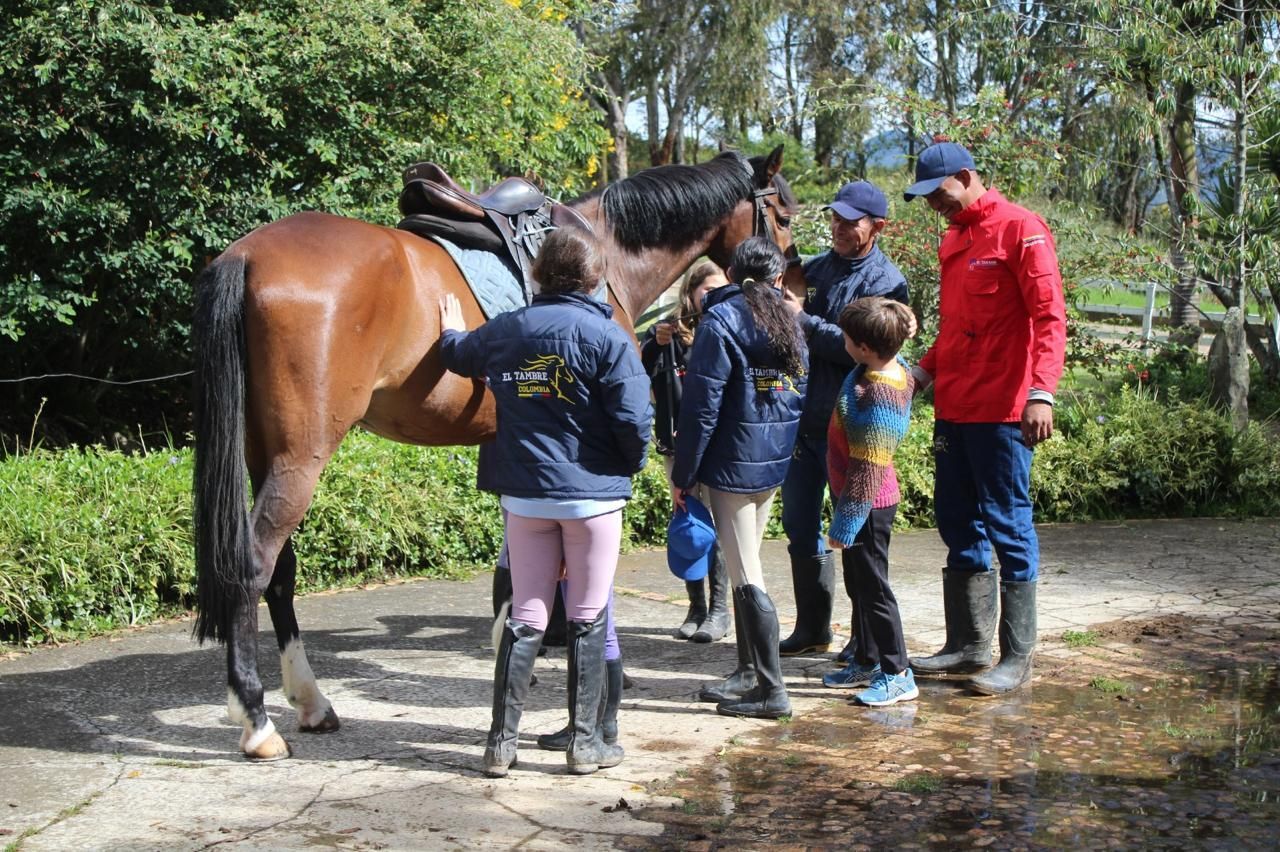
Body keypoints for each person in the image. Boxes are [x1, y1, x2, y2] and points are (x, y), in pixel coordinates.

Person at [438, 226, 652, 776]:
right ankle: (585, 746)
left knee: (526, 614)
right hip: (591, 500)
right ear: (594, 277)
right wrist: (626, 467)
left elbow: (460, 355)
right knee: (587, 615)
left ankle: (500, 746)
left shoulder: (505, 328)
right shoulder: (608, 338)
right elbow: (634, 420)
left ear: (537, 273)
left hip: (525, 499)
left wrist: (449, 332)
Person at [902, 141, 1067, 695]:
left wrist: (1041, 393)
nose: (934, 204)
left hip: (1003, 409)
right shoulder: (954, 238)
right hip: (954, 404)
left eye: (940, 192)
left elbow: (1049, 318)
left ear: (967, 176)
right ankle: (968, 645)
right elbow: (954, 328)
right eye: (926, 197)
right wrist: (921, 374)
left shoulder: (1021, 229)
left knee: (1008, 524)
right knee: (956, 521)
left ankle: (1016, 657)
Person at [671, 236, 808, 719]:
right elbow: (795, 392)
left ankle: (772, 691)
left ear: (730, 273)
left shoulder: (721, 321)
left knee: (747, 573)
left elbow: (700, 407)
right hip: (770, 463)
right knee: (747, 564)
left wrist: (684, 473)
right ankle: (749, 672)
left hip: (731, 467)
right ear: (778, 278)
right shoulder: (789, 321)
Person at [778, 180, 909, 663]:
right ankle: (812, 628)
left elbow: (862, 346)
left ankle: (864, 641)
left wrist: (803, 321)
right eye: (834, 218)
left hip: (850, 430)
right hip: (804, 420)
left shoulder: (887, 282)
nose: (837, 227)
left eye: (849, 222)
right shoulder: (816, 269)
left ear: (877, 227)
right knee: (799, 525)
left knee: (855, 541)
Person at [822, 297, 919, 706]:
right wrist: (901, 319)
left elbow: (867, 471)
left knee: (875, 589)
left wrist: (845, 526)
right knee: (859, 584)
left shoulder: (880, 396)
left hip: (868, 505)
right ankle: (866, 658)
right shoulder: (881, 366)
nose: (841, 340)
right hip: (855, 499)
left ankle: (897, 673)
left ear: (864, 347)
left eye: (846, 337)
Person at [641, 262, 731, 643]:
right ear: (690, 292)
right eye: (705, 290)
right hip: (678, 447)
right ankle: (696, 607)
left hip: (719, 446)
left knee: (721, 527)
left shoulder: (727, 327)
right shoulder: (667, 331)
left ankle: (720, 610)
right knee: (689, 521)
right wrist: (656, 345)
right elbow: (639, 371)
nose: (711, 297)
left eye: (718, 289)